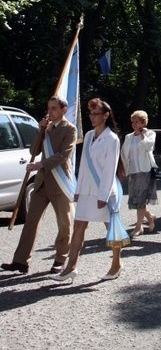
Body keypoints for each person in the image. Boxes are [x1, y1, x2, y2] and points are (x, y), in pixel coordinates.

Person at [50, 97, 129, 283]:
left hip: (104, 192)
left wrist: (103, 196)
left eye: (96, 114)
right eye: (90, 114)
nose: (92, 117)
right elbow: (83, 165)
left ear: (106, 115)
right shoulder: (88, 136)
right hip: (86, 190)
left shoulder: (112, 139)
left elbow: (110, 169)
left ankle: (117, 264)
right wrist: (78, 189)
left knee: (111, 228)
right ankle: (70, 267)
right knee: (78, 226)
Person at [1, 95, 76, 275]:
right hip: (42, 182)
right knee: (31, 222)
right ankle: (21, 261)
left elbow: (63, 155)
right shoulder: (46, 128)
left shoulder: (70, 129)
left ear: (63, 110)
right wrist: (40, 130)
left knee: (64, 224)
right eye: (49, 108)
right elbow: (33, 151)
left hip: (60, 182)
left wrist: (41, 164)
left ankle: (60, 260)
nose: (50, 112)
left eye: (54, 109)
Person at [120, 110, 157, 237]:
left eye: (137, 122)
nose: (134, 124)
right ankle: (150, 217)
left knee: (141, 200)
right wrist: (125, 170)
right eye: (133, 122)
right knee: (136, 200)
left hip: (144, 170)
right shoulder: (128, 137)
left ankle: (138, 227)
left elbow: (148, 147)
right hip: (133, 171)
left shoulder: (150, 134)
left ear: (143, 122)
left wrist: (143, 135)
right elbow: (124, 154)